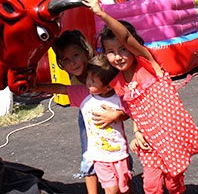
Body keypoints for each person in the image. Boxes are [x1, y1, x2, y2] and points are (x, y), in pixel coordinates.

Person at [82, 0, 198, 194]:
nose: (118, 56)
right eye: (111, 52)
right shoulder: (120, 82)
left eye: (123, 49)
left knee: (173, 185)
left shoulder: (149, 65)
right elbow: (135, 111)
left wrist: (102, 14)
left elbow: (126, 38)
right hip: (149, 142)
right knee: (151, 186)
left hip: (170, 138)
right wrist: (138, 132)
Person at [35, 55, 132, 194]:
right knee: (112, 189)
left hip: (120, 154)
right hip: (99, 156)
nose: (87, 82)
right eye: (88, 77)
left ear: (108, 87)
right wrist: (37, 87)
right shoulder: (84, 94)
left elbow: (131, 112)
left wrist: (117, 115)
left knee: (125, 188)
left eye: (93, 81)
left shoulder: (118, 97)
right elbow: (62, 89)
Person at [52, 30, 127, 194]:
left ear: (87, 52)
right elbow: (61, 88)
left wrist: (117, 114)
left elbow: (128, 103)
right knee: (88, 154)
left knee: (116, 147)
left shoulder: (101, 68)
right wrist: (34, 86)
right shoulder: (80, 81)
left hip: (111, 109)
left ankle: (123, 180)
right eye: (66, 59)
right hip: (88, 111)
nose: (72, 63)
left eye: (76, 55)